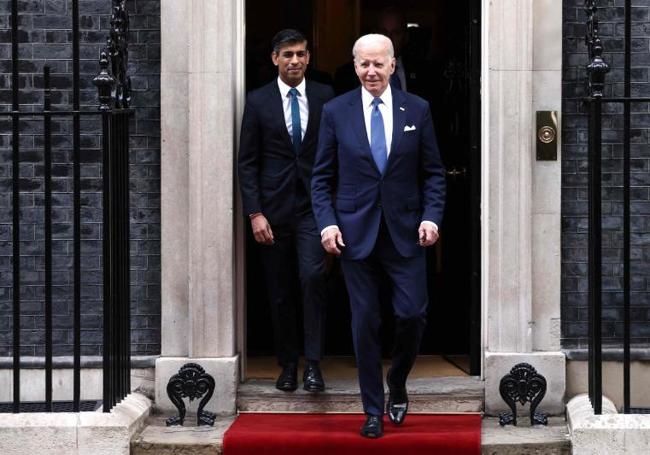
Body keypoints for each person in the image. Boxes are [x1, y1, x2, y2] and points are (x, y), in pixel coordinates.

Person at [311, 34, 445, 438]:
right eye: (363, 64)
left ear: (391, 65)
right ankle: (372, 409)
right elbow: (321, 177)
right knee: (365, 321)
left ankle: (398, 381)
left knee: (411, 315)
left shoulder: (417, 109)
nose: (371, 71)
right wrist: (327, 222)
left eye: (378, 64)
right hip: (355, 233)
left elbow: (434, 173)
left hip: (406, 233)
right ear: (354, 66)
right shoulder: (336, 111)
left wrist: (431, 217)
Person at [238, 29, 335, 393]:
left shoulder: (326, 97)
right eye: (288, 55)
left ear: (308, 57)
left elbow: (336, 153)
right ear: (275, 59)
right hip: (273, 212)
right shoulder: (258, 101)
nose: (295, 60)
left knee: (312, 280)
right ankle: (288, 364)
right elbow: (247, 162)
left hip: (314, 207)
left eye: (301, 54)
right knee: (280, 291)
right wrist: (254, 213)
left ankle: (313, 364)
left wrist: (335, 211)